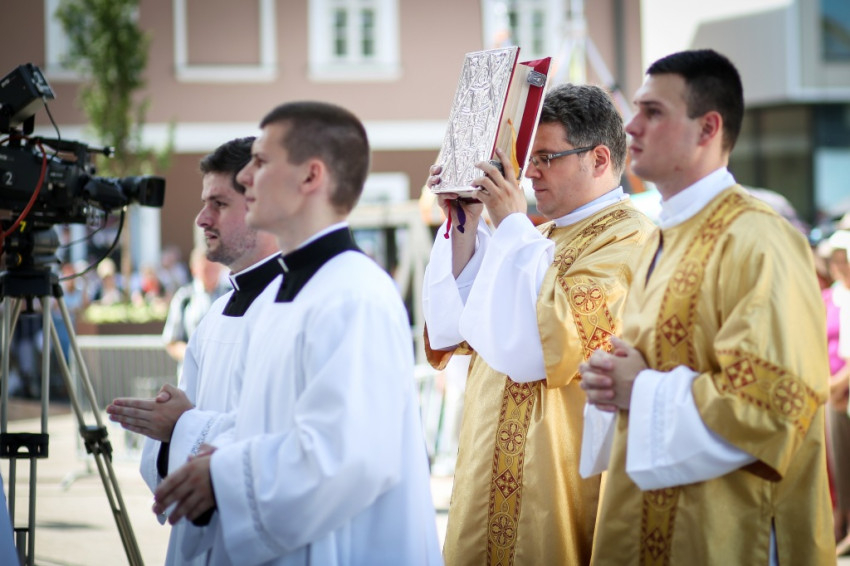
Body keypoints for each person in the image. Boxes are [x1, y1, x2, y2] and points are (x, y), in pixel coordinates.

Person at [151, 101, 442, 565]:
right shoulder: (282, 296)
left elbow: (348, 457)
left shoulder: (354, 294)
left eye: (261, 162)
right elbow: (262, 426)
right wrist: (198, 448)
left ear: (310, 176)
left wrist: (221, 474)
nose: (246, 177)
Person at [579, 49, 835, 565]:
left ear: (708, 128)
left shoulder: (760, 238)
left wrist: (640, 389)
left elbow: (770, 407)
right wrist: (610, 380)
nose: (631, 126)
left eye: (653, 112)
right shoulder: (660, 237)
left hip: (730, 531)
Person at [423, 84, 654, 565]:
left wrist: (511, 225)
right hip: (487, 462)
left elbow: (558, 340)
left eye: (546, 157)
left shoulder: (632, 240)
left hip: (554, 472)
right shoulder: (533, 236)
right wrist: (466, 222)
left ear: (598, 158)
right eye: (530, 158)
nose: (530, 172)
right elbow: (459, 327)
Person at [107, 136, 283, 566]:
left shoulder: (293, 310)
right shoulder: (215, 314)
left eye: (218, 204)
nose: (202, 218)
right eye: (205, 203)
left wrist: (181, 425)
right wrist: (168, 428)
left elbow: (281, 440)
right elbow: (182, 421)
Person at [823, 230, 850, 555]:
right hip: (831, 391)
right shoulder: (829, 297)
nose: (840, 265)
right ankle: (840, 521)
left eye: (845, 259)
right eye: (836, 259)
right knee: (837, 462)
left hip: (840, 388)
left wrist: (838, 385)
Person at [161, 247, 229, 366]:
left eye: (213, 268)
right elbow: (171, 341)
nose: (211, 273)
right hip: (193, 372)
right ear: (194, 269)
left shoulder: (232, 295)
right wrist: (194, 356)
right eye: (206, 269)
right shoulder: (184, 297)